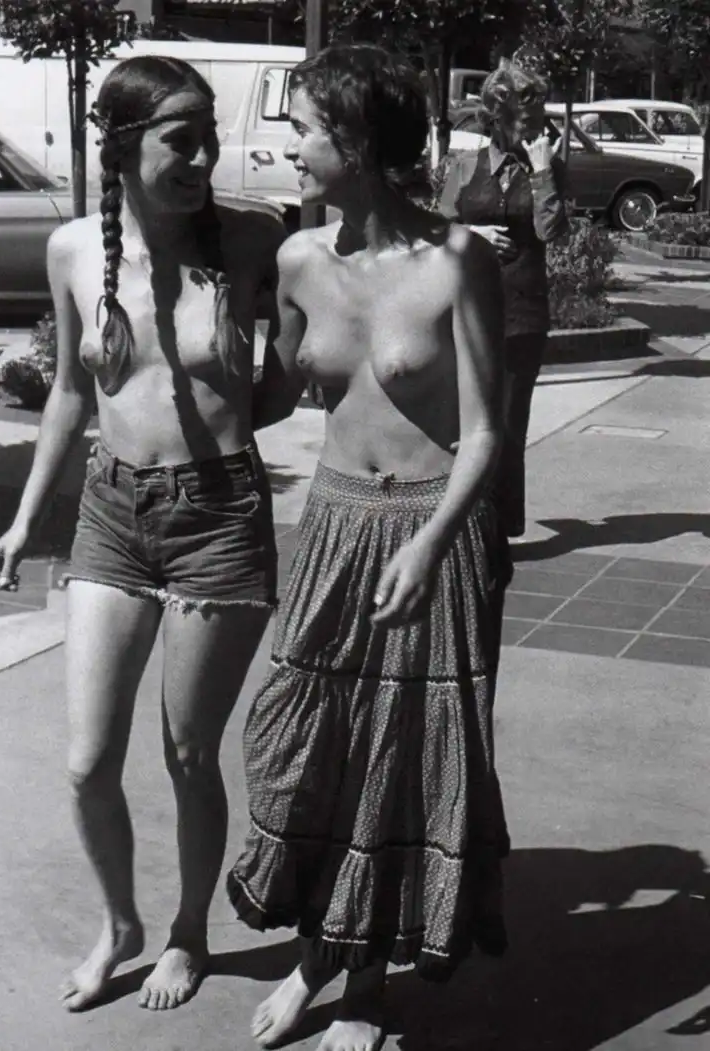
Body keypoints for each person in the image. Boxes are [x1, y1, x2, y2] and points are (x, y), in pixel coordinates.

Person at [0, 55, 283, 1013]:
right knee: (86, 763)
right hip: (111, 514)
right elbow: (72, 393)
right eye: (179, 140)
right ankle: (120, 923)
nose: (203, 158)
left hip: (219, 519)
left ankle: (189, 930)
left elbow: (297, 364)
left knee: (189, 755)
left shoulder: (254, 238)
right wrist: (27, 517)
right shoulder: (73, 248)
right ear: (121, 146)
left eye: (209, 138)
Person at [227, 44, 511, 1051]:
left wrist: (430, 545)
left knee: (399, 756)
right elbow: (275, 395)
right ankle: (318, 949)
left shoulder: (457, 261)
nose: (290, 145)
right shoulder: (298, 259)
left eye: (305, 129)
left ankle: (361, 986)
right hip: (333, 522)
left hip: (431, 525)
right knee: (304, 744)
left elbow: (486, 432)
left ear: (356, 140)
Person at [439, 58, 568, 538]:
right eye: (527, 121)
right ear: (499, 119)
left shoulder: (548, 167)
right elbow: (436, 226)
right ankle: (461, 519)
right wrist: (470, 232)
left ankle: (499, 527)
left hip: (521, 313)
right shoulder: (465, 165)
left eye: (540, 120)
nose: (538, 130)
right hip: (464, 309)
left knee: (509, 425)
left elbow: (551, 232)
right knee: (459, 422)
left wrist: (543, 171)